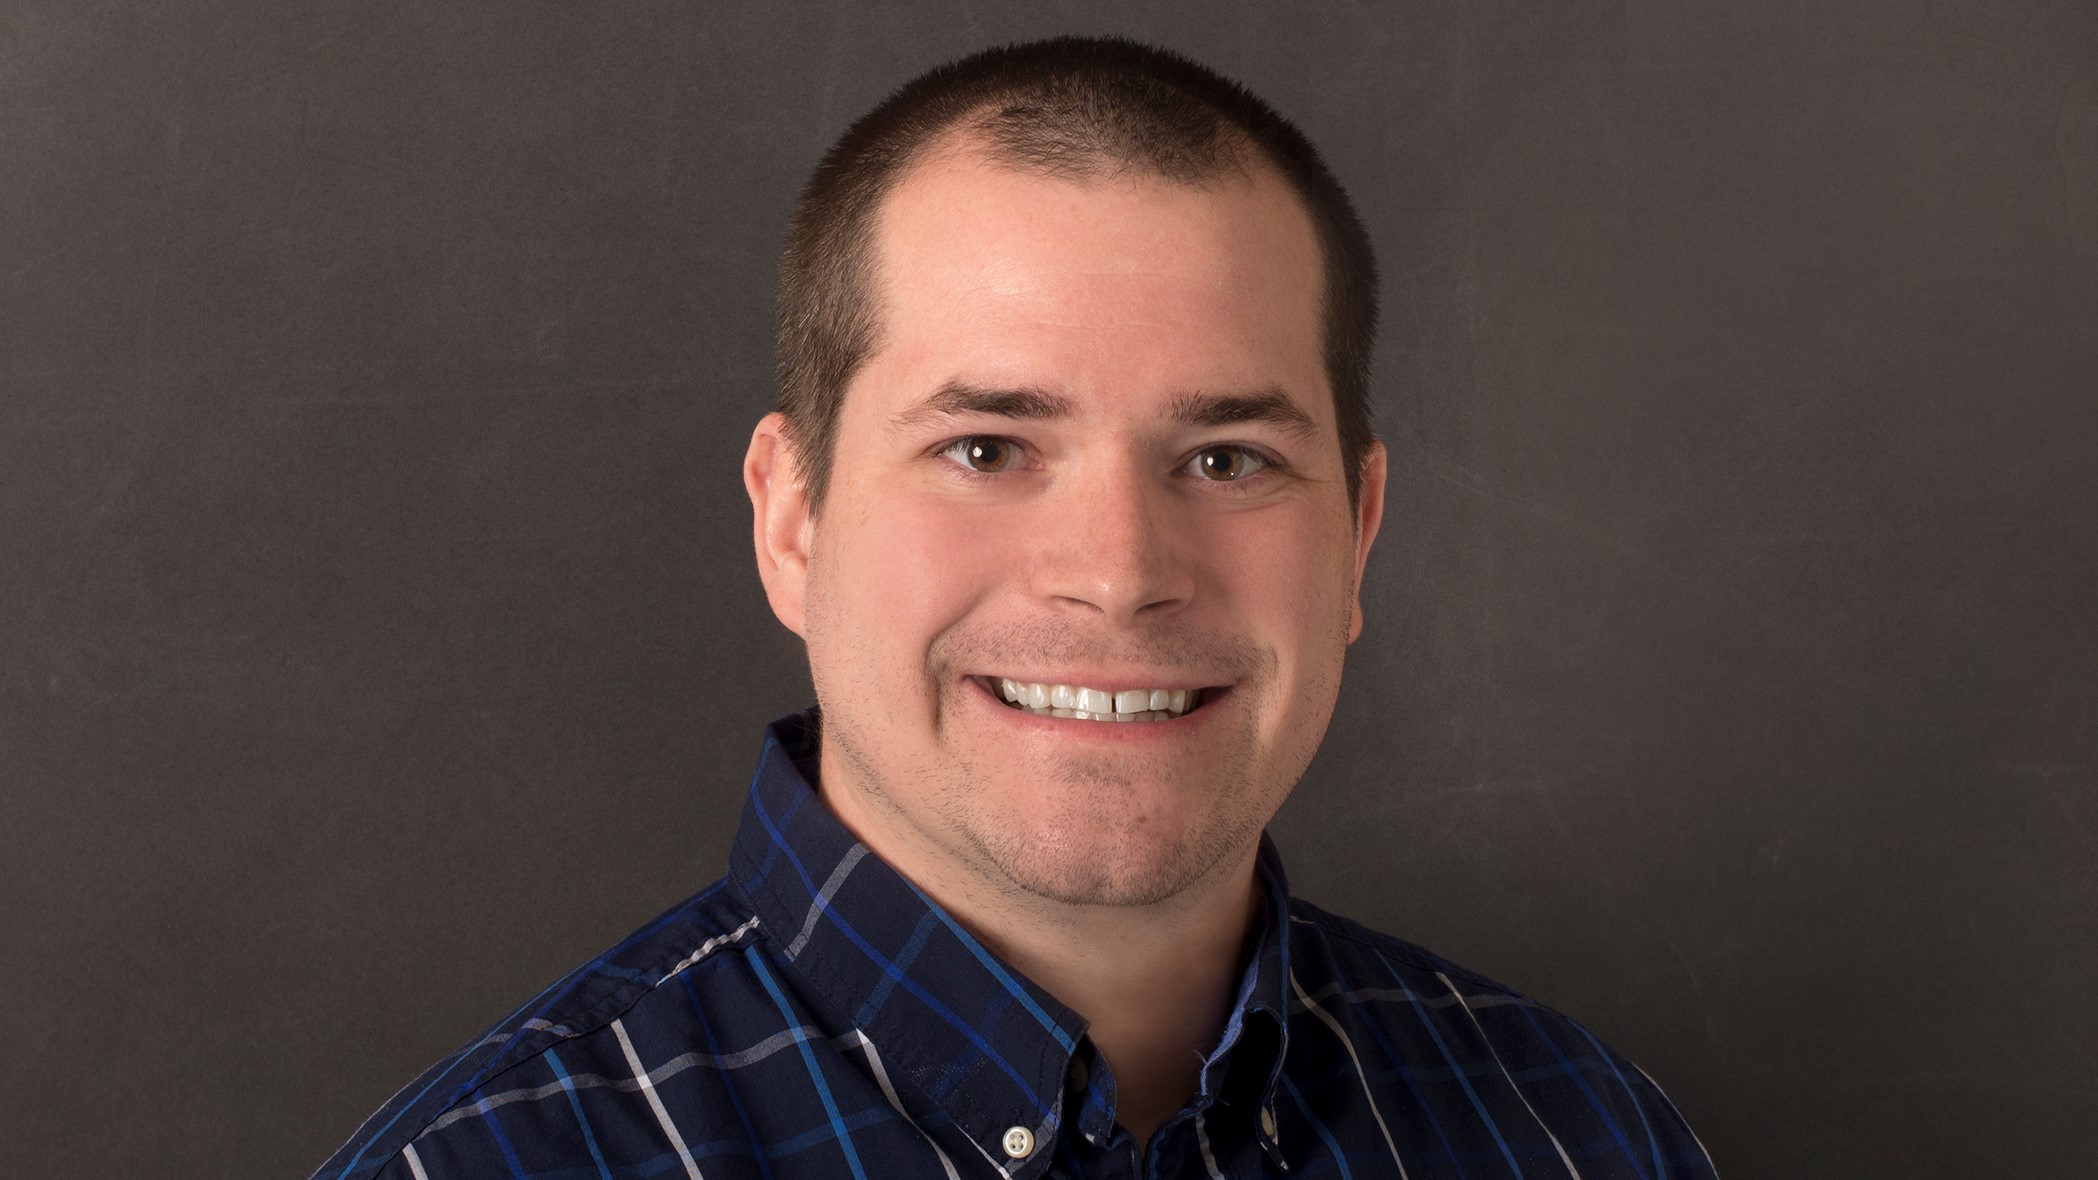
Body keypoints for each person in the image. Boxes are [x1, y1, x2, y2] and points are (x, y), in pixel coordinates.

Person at [316, 36, 1716, 1179]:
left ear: (1353, 532)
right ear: (792, 518)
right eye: (985, 450)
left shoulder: (1580, 1136)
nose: (1115, 570)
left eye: (1224, 459)